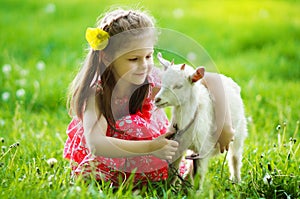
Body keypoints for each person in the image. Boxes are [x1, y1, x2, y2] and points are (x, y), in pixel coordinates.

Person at [63, 7, 234, 187]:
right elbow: (97, 144)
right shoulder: (97, 93)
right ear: (107, 58)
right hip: (111, 159)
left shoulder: (151, 80)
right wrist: (151, 147)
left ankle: (169, 175)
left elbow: (213, 80)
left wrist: (225, 125)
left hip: (151, 154)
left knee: (171, 174)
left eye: (148, 56)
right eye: (133, 59)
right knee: (95, 179)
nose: (144, 65)